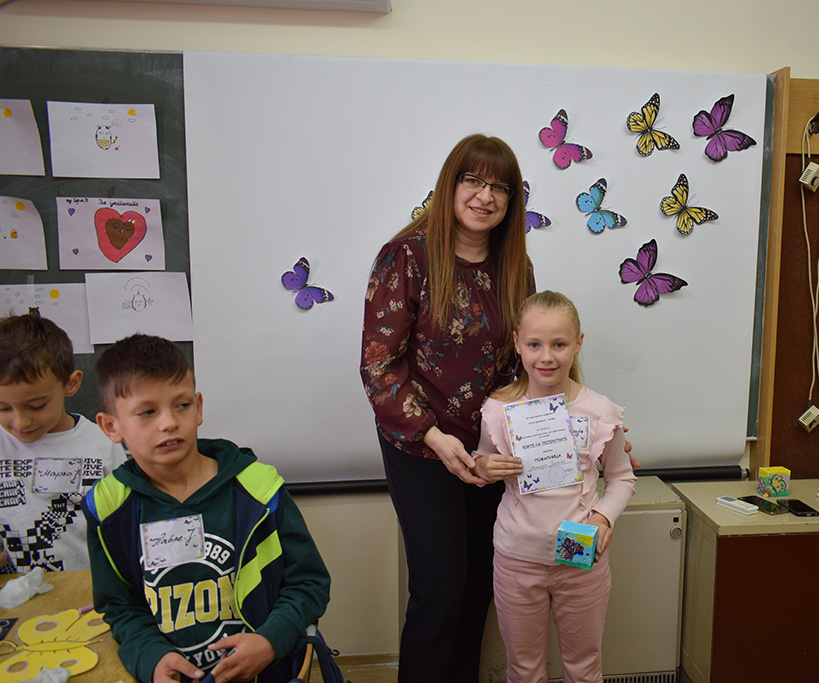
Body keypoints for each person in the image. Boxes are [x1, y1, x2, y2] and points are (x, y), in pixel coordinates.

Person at [360, 133, 534, 682]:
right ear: (450, 185)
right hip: (422, 446)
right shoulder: (406, 256)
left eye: (499, 187)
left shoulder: (515, 268)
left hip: (487, 450)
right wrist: (435, 438)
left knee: (480, 583)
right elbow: (379, 365)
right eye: (473, 181)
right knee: (439, 589)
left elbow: (528, 362)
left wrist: (587, 429)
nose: (485, 196)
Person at [83, 334, 331, 683]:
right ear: (111, 426)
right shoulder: (108, 508)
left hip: (264, 673)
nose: (168, 423)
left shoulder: (258, 489)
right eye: (147, 412)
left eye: (181, 405)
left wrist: (270, 641)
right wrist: (151, 657)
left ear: (198, 408)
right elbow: (120, 606)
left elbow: (309, 582)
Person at [473, 291, 636, 683]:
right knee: (524, 669)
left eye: (559, 345)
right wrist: (484, 466)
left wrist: (603, 517)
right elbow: (481, 461)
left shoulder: (600, 411)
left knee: (584, 667)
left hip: (580, 557)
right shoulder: (498, 409)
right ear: (517, 343)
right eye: (534, 345)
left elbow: (621, 477)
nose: (546, 357)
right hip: (517, 556)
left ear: (578, 344)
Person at [0, 310, 125, 573]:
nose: (21, 422)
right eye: (3, 408)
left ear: (71, 384)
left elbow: (124, 523)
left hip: (84, 588)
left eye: (36, 405)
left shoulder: (102, 445)